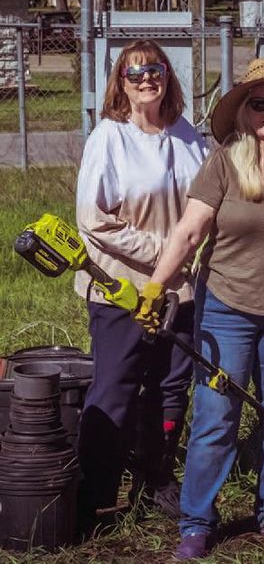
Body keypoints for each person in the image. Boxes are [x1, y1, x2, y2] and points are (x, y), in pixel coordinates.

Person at [133, 58, 264, 559]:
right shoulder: (224, 163)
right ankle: (197, 520)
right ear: (245, 114)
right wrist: (156, 287)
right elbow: (188, 231)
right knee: (215, 415)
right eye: (258, 103)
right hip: (226, 306)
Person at [75, 39, 207, 525]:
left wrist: (187, 262)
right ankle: (96, 493)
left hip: (183, 290)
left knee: (172, 385)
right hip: (122, 287)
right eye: (135, 73)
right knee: (116, 385)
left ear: (168, 76)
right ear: (120, 84)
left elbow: (208, 208)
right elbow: (93, 218)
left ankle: (156, 479)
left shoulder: (188, 136)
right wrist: (165, 255)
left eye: (156, 70)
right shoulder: (108, 137)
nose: (147, 78)